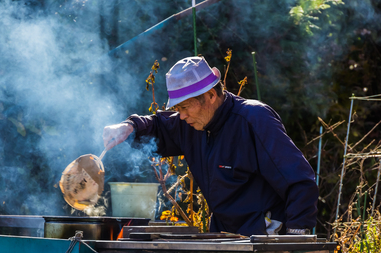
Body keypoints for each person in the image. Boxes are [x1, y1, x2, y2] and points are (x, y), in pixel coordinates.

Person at [103, 56, 318, 236]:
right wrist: (129, 127)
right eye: (177, 108)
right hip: (224, 237)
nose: (181, 115)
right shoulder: (188, 123)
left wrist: (295, 237)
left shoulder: (254, 119)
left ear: (211, 95)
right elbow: (158, 126)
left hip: (265, 237)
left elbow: (300, 181)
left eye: (185, 107)